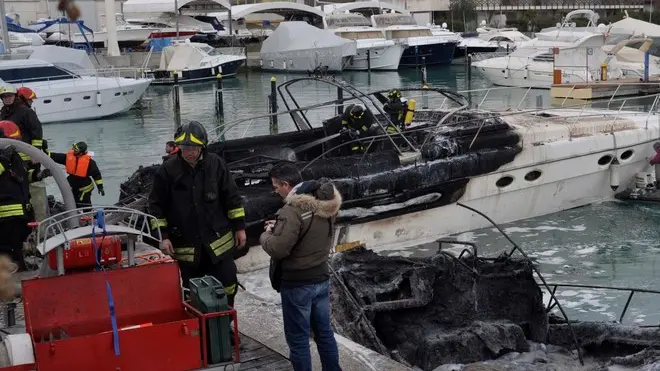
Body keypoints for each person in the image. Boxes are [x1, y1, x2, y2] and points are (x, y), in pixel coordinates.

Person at [148, 121, 247, 310]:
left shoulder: (216, 164)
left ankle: (224, 327)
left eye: (193, 147)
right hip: (187, 247)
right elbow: (156, 206)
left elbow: (232, 198)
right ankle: (199, 332)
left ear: (202, 146)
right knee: (193, 291)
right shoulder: (167, 171)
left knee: (227, 285)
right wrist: (163, 236)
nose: (189, 152)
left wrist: (240, 227)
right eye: (185, 147)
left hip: (218, 245)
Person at [260, 162, 343, 371]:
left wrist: (266, 235)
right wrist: (279, 227)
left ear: (286, 185)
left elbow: (279, 249)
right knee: (324, 334)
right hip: (321, 278)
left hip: (297, 284)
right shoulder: (325, 203)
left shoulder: (292, 210)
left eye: (276, 186)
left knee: (298, 340)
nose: (275, 191)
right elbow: (310, 229)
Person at [0, 121, 51, 271]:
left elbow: (21, 176)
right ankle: (13, 273)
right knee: (8, 246)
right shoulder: (5, 156)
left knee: (17, 244)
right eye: (12, 140)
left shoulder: (15, 156)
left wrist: (37, 175)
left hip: (21, 211)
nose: (15, 144)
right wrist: (3, 158)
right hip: (5, 213)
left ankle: (20, 267)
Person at [48, 142, 104, 209]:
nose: (74, 151)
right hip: (72, 184)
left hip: (84, 187)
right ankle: (74, 213)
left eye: (76, 150)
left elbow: (97, 175)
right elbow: (56, 156)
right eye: (74, 149)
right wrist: (46, 154)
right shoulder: (69, 158)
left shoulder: (90, 163)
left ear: (81, 152)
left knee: (85, 203)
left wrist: (100, 187)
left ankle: (87, 216)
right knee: (73, 201)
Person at [0, 85, 44, 163]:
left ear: (15, 96)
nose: (7, 99)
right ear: (2, 98)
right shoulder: (3, 113)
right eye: (5, 97)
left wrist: (36, 153)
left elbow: (37, 131)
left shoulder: (25, 111)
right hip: (8, 155)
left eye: (10, 96)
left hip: (26, 157)